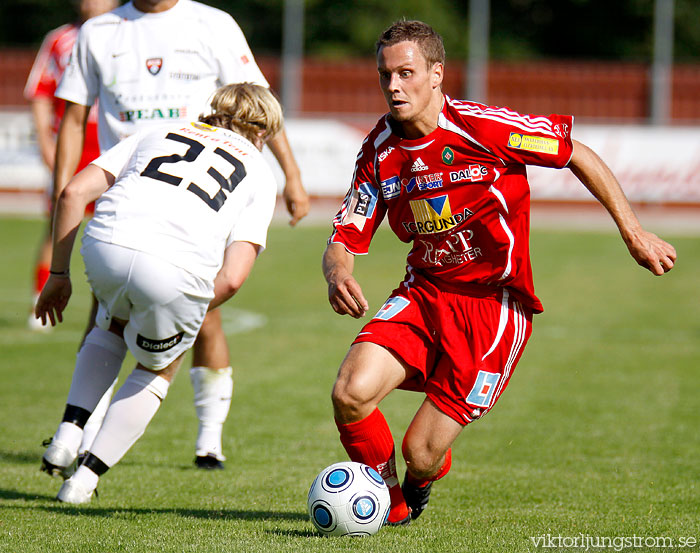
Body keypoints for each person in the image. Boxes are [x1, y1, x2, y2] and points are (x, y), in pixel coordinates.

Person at [322, 20, 677, 526]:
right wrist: (338, 273)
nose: (394, 86)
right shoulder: (378, 152)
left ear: (437, 73)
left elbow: (577, 153)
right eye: (385, 75)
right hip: (424, 293)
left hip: (494, 307)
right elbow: (344, 236)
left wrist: (634, 233)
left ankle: (419, 479)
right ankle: (389, 507)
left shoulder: (484, 129)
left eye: (406, 73)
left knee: (420, 452)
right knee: (349, 394)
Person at [45, 0, 310, 471]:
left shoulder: (213, 23)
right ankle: (84, 442)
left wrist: (291, 174)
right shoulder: (98, 31)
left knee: (192, 321)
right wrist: (63, 188)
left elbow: (258, 105)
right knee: (110, 315)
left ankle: (208, 440)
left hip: (201, 195)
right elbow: (72, 117)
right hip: (129, 183)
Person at [36, 82, 281, 504]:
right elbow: (235, 276)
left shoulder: (160, 132)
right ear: (262, 132)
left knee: (110, 322)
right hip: (175, 267)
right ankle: (83, 480)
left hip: (106, 243)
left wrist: (58, 274)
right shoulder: (259, 170)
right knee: (158, 366)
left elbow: (73, 192)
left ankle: (67, 433)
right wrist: (184, 309)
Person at [24, 0, 117, 332]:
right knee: (58, 220)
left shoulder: (131, 32)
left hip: (114, 141)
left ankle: (113, 302)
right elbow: (40, 92)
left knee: (118, 226)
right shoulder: (60, 39)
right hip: (72, 139)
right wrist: (46, 142)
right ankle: (43, 297)